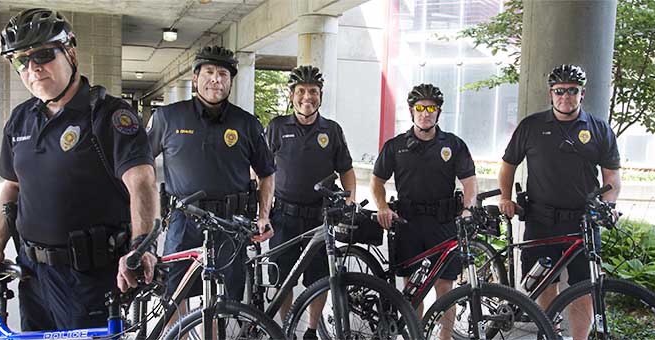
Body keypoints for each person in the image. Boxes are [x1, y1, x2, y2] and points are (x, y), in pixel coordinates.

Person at [0, 8, 158, 330]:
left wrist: (141, 246)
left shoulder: (109, 116)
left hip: (89, 279)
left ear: (70, 52)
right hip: (32, 276)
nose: (32, 68)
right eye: (21, 61)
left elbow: (142, 182)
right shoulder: (20, 119)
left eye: (43, 55)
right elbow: (13, 186)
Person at [498, 64, 621, 340]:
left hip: (583, 222)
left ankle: (578, 338)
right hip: (541, 219)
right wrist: (505, 197)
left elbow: (612, 176)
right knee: (544, 282)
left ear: (583, 94)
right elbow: (508, 165)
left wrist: (608, 206)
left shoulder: (598, 128)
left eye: (572, 91)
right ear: (551, 94)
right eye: (560, 91)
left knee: (584, 286)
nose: (566, 96)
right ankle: (549, 331)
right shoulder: (531, 126)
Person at [147, 45, 275, 305]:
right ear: (195, 78)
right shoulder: (167, 117)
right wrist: (148, 215)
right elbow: (141, 165)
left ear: (230, 82)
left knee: (225, 300)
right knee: (174, 295)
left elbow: (267, 174)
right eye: (209, 72)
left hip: (231, 225)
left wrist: (263, 216)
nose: (216, 79)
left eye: (223, 74)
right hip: (184, 222)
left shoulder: (248, 124)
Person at [371, 83, 477, 338]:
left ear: (438, 112)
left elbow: (470, 182)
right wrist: (383, 207)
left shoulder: (453, 144)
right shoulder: (396, 146)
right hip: (408, 224)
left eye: (431, 108)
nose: (425, 113)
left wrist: (468, 210)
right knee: (413, 287)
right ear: (412, 111)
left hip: (443, 224)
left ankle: (445, 337)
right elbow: (376, 182)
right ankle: (416, 335)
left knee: (445, 287)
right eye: (420, 108)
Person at [264, 65, 356, 340]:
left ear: (320, 95)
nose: (308, 97)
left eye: (313, 91)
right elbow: (261, 170)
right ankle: (288, 329)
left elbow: (347, 170)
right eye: (301, 91)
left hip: (321, 218)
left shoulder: (332, 129)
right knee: (284, 279)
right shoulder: (277, 127)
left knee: (320, 278)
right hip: (283, 216)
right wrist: (261, 208)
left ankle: (312, 330)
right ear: (291, 95)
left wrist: (350, 201)